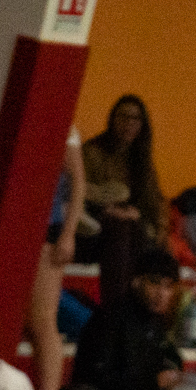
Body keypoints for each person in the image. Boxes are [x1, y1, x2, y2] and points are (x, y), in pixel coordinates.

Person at [73, 250, 183, 390]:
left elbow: (171, 363)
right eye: (154, 283)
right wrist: (152, 383)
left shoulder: (157, 325)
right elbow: (98, 378)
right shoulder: (111, 318)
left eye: (168, 286)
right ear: (136, 281)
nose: (161, 293)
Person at [29, 127, 88, 390]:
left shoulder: (64, 127)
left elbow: (78, 181)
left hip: (47, 229)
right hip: (16, 225)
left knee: (43, 321)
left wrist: (68, 233)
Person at [79, 94, 165, 277]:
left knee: (142, 234)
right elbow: (79, 192)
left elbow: (155, 202)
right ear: (113, 119)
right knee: (122, 229)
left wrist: (158, 229)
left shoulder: (142, 160)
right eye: (123, 116)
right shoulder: (92, 152)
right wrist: (109, 209)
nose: (129, 123)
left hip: (134, 226)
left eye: (136, 118)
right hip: (95, 228)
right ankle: (120, 293)